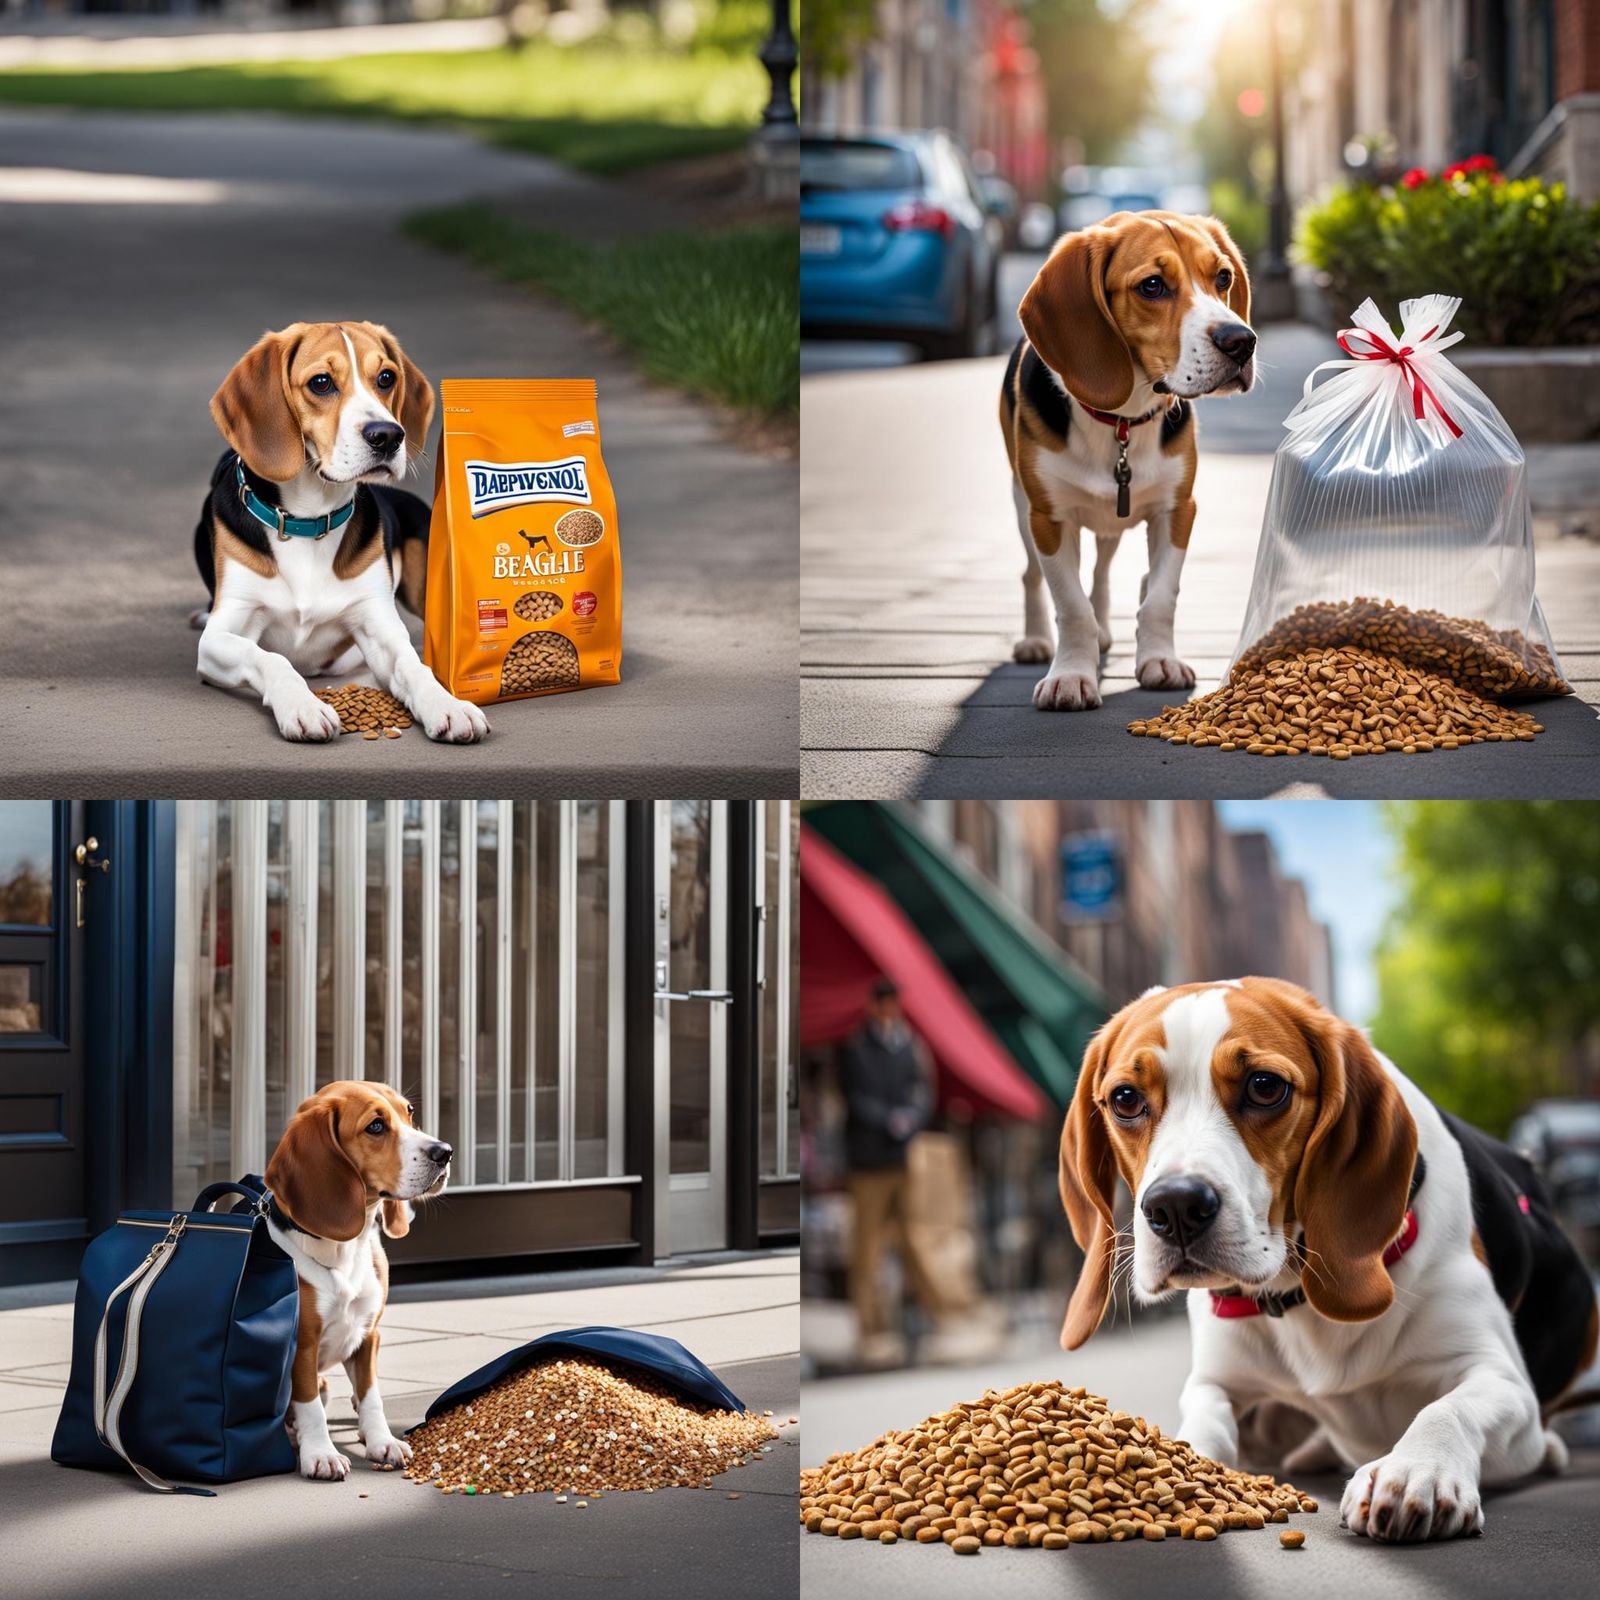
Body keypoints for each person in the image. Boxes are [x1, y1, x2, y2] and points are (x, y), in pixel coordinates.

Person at [839, 978, 945, 1364]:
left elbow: (923, 1091)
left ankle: (931, 1320)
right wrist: (888, 1120)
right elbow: (854, 1097)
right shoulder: (855, 1047)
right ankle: (869, 1329)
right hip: (867, 1162)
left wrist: (910, 1119)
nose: (888, 1010)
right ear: (874, 1006)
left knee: (914, 1240)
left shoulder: (911, 1045)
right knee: (867, 1248)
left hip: (903, 1158)